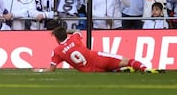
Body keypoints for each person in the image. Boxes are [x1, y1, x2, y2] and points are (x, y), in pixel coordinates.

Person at [34, 25, 164, 73]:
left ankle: (122, 70)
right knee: (127, 60)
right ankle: (146, 69)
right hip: (98, 58)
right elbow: (78, 31)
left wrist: (39, 70)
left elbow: (51, 70)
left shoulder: (57, 51)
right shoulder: (74, 38)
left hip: (90, 71)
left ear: (56, 38)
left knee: (111, 71)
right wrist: (68, 31)